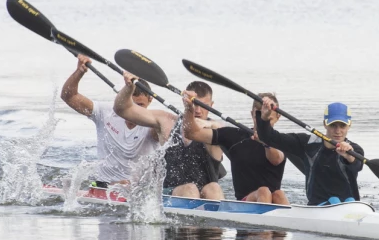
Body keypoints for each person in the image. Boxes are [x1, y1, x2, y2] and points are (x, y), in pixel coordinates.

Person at [114, 72, 225, 200]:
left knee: (214, 188)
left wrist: (204, 124)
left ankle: (219, 217)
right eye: (194, 104)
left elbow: (219, 128)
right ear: (185, 101)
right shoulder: (166, 121)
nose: (198, 110)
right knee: (190, 188)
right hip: (170, 193)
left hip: (207, 194)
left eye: (203, 106)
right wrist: (128, 88)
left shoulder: (215, 129)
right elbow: (122, 110)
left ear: (211, 106)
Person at [61, 54, 159, 186]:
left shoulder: (155, 124)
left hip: (138, 190)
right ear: (124, 100)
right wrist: (79, 72)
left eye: (140, 106)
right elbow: (69, 96)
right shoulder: (105, 112)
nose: (134, 112)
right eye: (131, 105)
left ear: (150, 100)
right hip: (105, 185)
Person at [183, 91, 289, 204]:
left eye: (268, 119)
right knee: (264, 191)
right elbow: (191, 133)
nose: (263, 123)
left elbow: (276, 159)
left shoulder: (282, 140)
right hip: (244, 203)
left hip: (274, 200)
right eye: (259, 117)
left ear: (278, 116)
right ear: (252, 113)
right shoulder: (234, 136)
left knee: (279, 194)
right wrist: (189, 108)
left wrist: (265, 142)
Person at [256, 99, 363, 205]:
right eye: (333, 125)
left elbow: (357, 165)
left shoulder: (354, 150)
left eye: (342, 126)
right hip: (317, 207)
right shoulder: (307, 144)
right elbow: (269, 138)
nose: (338, 131)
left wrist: (349, 156)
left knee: (342, 200)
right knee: (334, 200)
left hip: (350, 207)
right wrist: (264, 118)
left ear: (349, 125)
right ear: (325, 124)